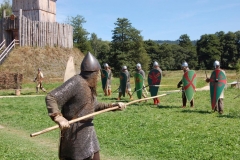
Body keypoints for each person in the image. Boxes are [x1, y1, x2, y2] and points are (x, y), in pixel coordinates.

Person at [45, 52, 126, 160]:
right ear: (93, 73)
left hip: (89, 131)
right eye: (97, 74)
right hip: (75, 133)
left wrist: (113, 105)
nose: (98, 77)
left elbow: (94, 105)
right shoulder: (77, 82)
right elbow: (51, 97)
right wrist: (58, 117)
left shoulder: (89, 85)